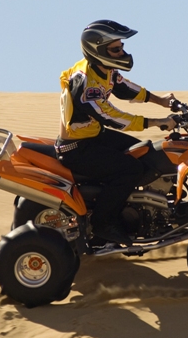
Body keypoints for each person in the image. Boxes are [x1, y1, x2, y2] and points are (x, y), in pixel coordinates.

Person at [56, 20, 177, 245]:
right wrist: (157, 121)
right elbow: (111, 116)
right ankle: (103, 223)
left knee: (146, 153)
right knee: (129, 169)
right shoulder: (86, 84)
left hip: (93, 137)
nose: (122, 52)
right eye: (116, 49)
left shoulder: (104, 69)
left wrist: (161, 101)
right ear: (98, 50)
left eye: (121, 47)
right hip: (78, 149)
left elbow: (123, 88)